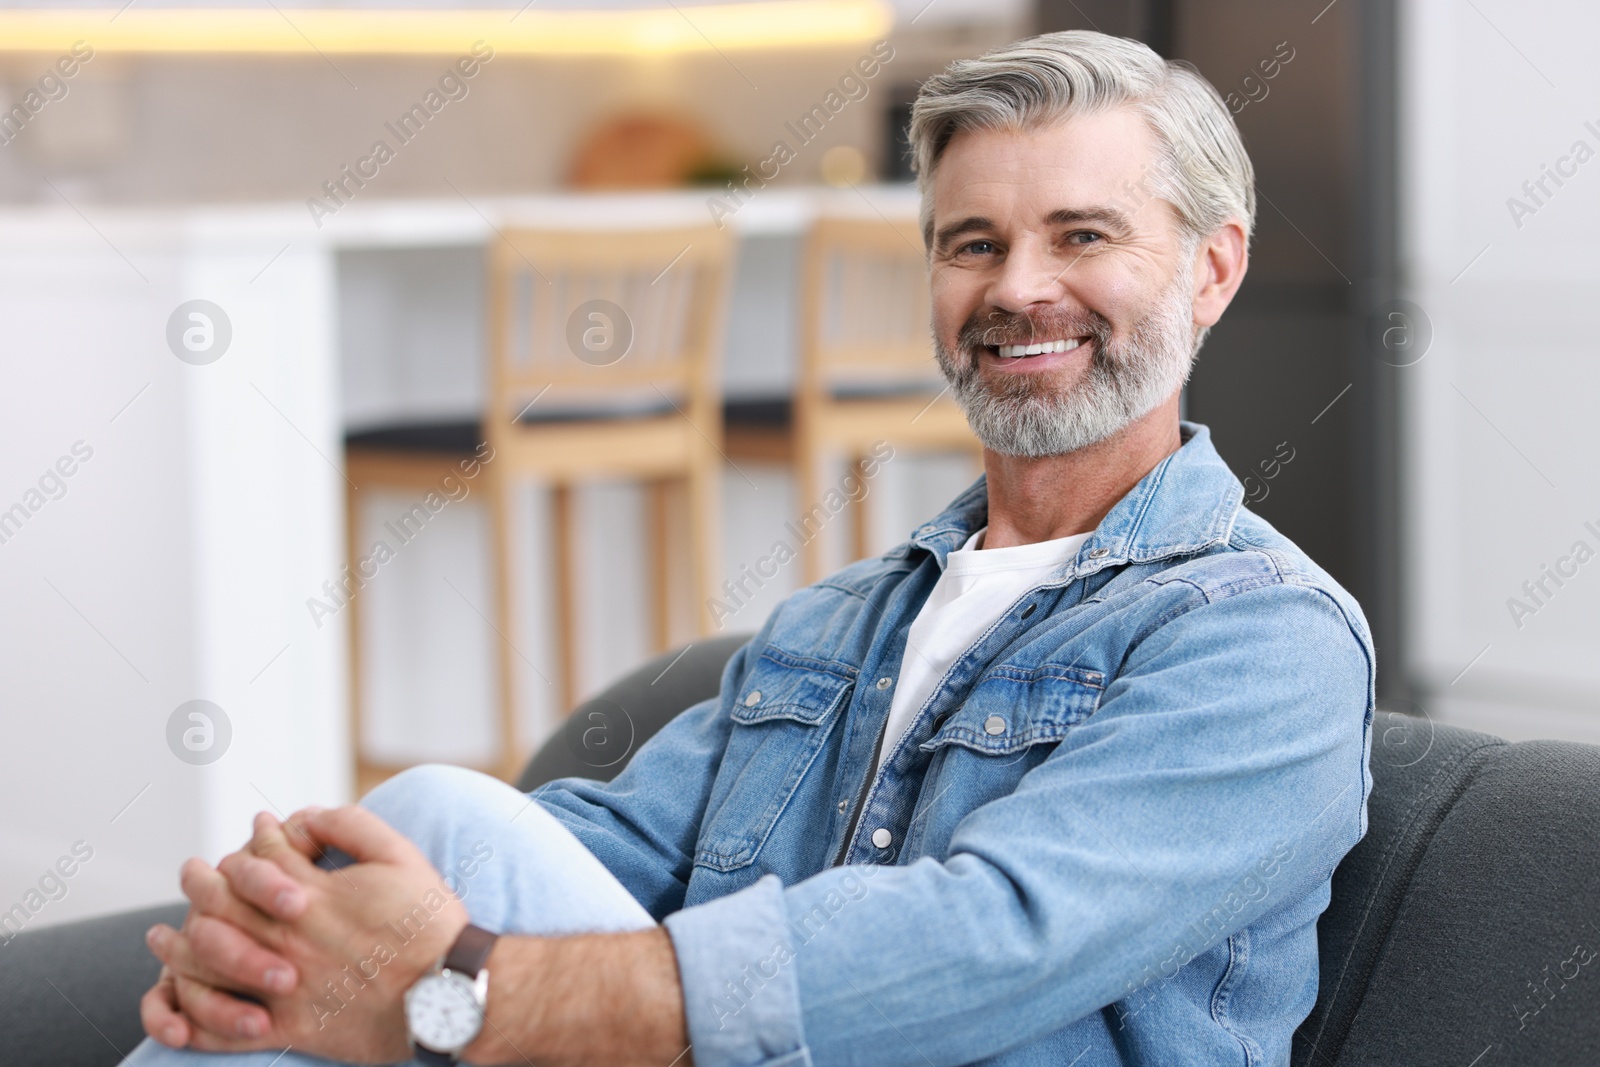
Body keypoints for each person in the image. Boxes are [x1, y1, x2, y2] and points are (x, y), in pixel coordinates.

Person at [126, 29, 1373, 1067]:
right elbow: (603, 847)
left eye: (1083, 236)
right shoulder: (839, 623)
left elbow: (995, 938)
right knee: (392, 847)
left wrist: (464, 988)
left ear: (1212, 269)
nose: (1018, 288)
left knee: (439, 828)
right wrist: (308, 916)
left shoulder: (1262, 636)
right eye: (972, 242)